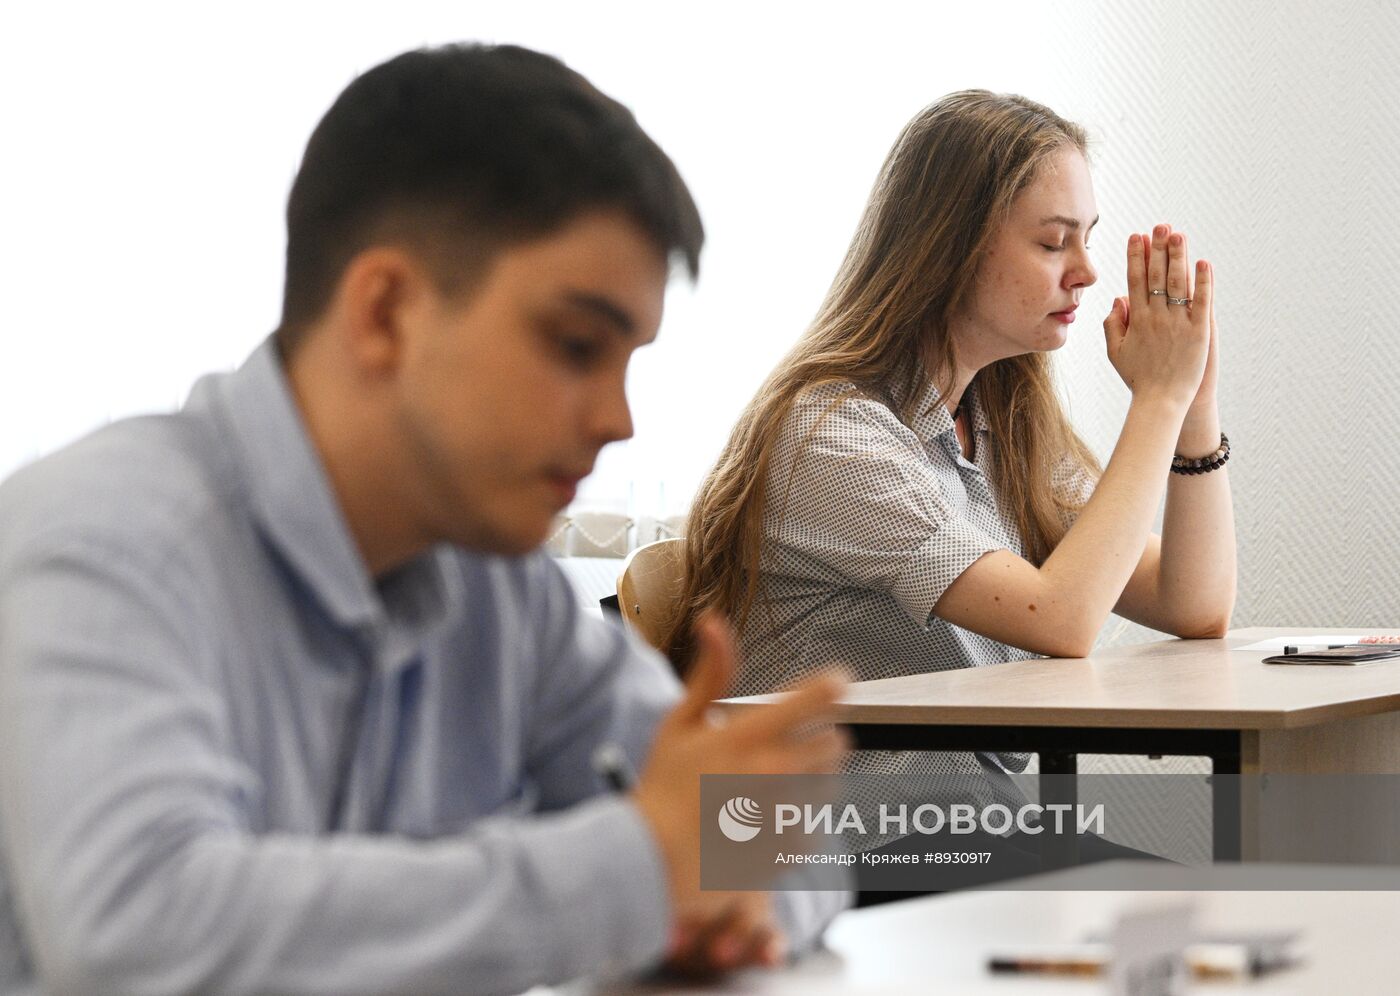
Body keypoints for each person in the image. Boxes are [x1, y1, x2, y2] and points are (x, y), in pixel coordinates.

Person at [0, 44, 851, 995]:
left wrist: (725, 904)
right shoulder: (103, 541)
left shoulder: (501, 583)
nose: (619, 420)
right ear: (386, 312)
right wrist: (641, 871)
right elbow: (136, 934)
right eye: (577, 346)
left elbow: (789, 846)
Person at [671, 91, 1236, 881]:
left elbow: (1193, 605)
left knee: (1216, 909)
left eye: (1088, 239)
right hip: (839, 858)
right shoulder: (832, 434)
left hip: (971, 833)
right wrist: (1157, 400)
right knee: (1196, 912)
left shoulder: (998, 422)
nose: (1086, 272)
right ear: (952, 248)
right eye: (1053, 242)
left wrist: (1194, 409)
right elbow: (1062, 618)